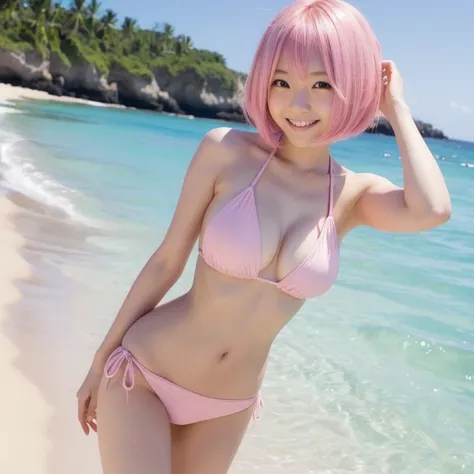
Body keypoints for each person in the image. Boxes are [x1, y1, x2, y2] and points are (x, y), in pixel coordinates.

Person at [76, 0, 451, 473]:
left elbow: (433, 209)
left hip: (227, 406)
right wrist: (99, 360)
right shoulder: (226, 154)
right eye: (281, 82)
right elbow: (166, 262)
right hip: (145, 375)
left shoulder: (352, 196)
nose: (298, 104)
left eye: (321, 84)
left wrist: (396, 107)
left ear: (352, 87)